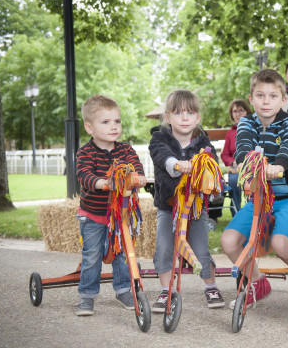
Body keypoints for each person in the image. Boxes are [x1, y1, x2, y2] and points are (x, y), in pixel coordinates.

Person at [220, 69, 288, 308]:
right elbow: (243, 147)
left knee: (281, 244)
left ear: (283, 99)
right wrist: (247, 163)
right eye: (260, 95)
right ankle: (258, 282)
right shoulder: (247, 122)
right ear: (251, 99)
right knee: (229, 241)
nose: (266, 101)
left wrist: (278, 166)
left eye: (272, 96)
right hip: (259, 198)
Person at [148, 89, 225, 310]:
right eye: (178, 112)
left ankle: (210, 286)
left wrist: (206, 167)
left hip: (195, 208)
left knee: (200, 248)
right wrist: (176, 164)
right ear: (168, 117)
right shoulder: (159, 138)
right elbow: (160, 155)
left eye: (190, 113)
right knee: (164, 247)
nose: (184, 118)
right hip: (168, 206)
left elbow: (211, 161)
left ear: (197, 118)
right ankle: (166, 291)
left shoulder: (203, 143)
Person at [75, 94, 147, 316]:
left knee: (124, 253)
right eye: (105, 122)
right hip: (94, 215)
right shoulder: (86, 153)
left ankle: (123, 290)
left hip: (121, 216)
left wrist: (139, 177)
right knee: (92, 255)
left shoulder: (125, 150)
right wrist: (100, 182)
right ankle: (87, 296)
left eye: (117, 121)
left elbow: (135, 166)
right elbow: (83, 175)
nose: (113, 126)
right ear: (89, 127)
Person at [221, 99, 252, 216]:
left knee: (251, 180)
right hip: (236, 169)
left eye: (241, 110)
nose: (238, 114)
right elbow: (224, 154)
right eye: (235, 111)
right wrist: (233, 162)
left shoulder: (254, 129)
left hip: (251, 167)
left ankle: (252, 209)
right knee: (234, 180)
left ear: (247, 112)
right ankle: (236, 212)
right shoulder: (230, 133)